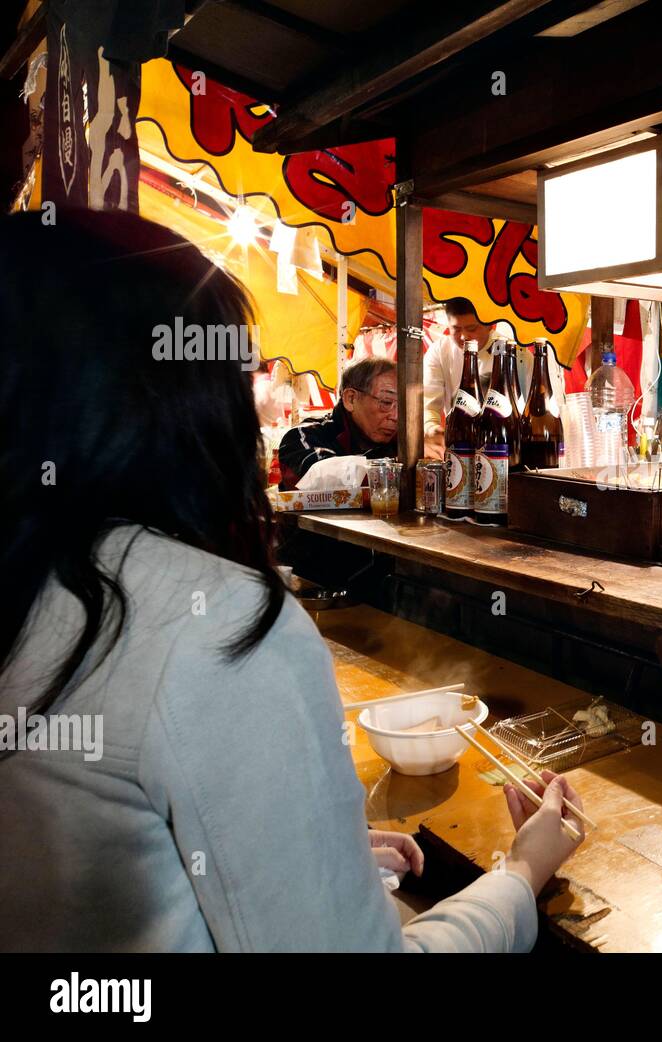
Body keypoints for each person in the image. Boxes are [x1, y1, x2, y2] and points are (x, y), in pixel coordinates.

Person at [0, 209, 585, 952]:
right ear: (183, 401)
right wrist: (521, 871)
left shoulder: (32, 586)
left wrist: (307, 849)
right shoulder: (214, 631)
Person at [423, 296, 566, 459]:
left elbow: (537, 408)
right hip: (462, 447)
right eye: (456, 329)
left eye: (471, 328)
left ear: (490, 325)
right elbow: (428, 401)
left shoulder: (516, 354)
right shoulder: (439, 352)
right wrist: (431, 427)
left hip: (505, 448)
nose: (464, 337)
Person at [277, 357, 399, 490]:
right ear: (351, 399)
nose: (396, 416)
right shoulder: (303, 435)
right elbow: (318, 475)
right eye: (386, 402)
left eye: (402, 406)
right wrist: (397, 469)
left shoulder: (399, 442)